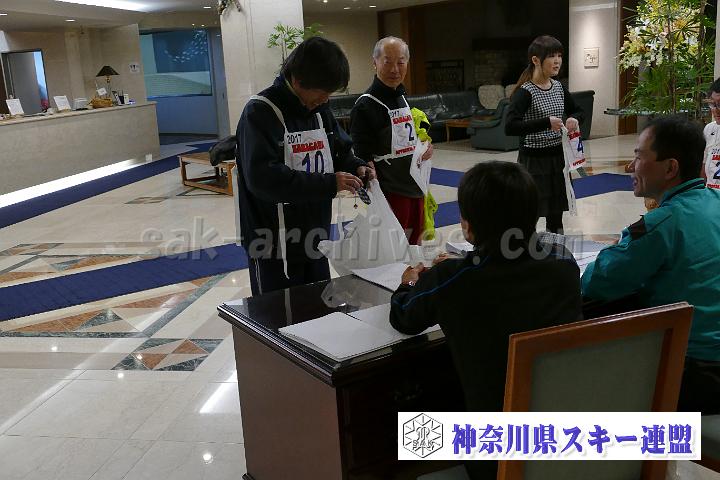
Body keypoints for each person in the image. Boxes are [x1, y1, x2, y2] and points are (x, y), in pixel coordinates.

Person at [389, 161, 582, 479]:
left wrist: (409, 283)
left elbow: (403, 317)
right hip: (564, 436)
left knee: (401, 432)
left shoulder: (451, 279)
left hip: (493, 456)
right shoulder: (563, 263)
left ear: (467, 226)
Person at [582, 115, 720, 415]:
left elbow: (595, 283)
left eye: (639, 157)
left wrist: (620, 246)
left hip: (695, 372)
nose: (630, 167)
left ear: (670, 168)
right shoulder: (715, 202)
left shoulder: (662, 225)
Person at [235, 36, 374, 295]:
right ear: (298, 80)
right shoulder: (260, 112)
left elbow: (339, 150)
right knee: (276, 313)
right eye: (321, 93)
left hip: (315, 236)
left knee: (317, 305)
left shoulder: (319, 110)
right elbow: (263, 179)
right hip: (272, 243)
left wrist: (356, 166)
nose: (325, 99)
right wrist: (329, 183)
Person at [350, 36, 433, 245]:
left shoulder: (401, 96)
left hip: (415, 185)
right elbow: (361, 153)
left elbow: (408, 137)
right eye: (387, 62)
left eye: (401, 62)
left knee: (415, 247)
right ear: (375, 62)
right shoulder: (365, 105)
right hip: (390, 192)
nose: (395, 69)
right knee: (393, 250)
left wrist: (423, 148)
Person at [505, 35, 584, 234]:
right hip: (533, 161)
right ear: (536, 60)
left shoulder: (559, 87)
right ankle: (525, 249)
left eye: (559, 56)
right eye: (551, 56)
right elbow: (510, 127)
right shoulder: (525, 92)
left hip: (558, 159)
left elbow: (578, 110)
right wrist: (546, 123)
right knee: (529, 213)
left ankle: (556, 249)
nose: (557, 61)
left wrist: (574, 118)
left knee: (556, 215)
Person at [703, 78, 720, 189]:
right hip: (711, 196)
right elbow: (703, 166)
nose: (716, 110)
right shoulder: (709, 129)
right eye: (713, 104)